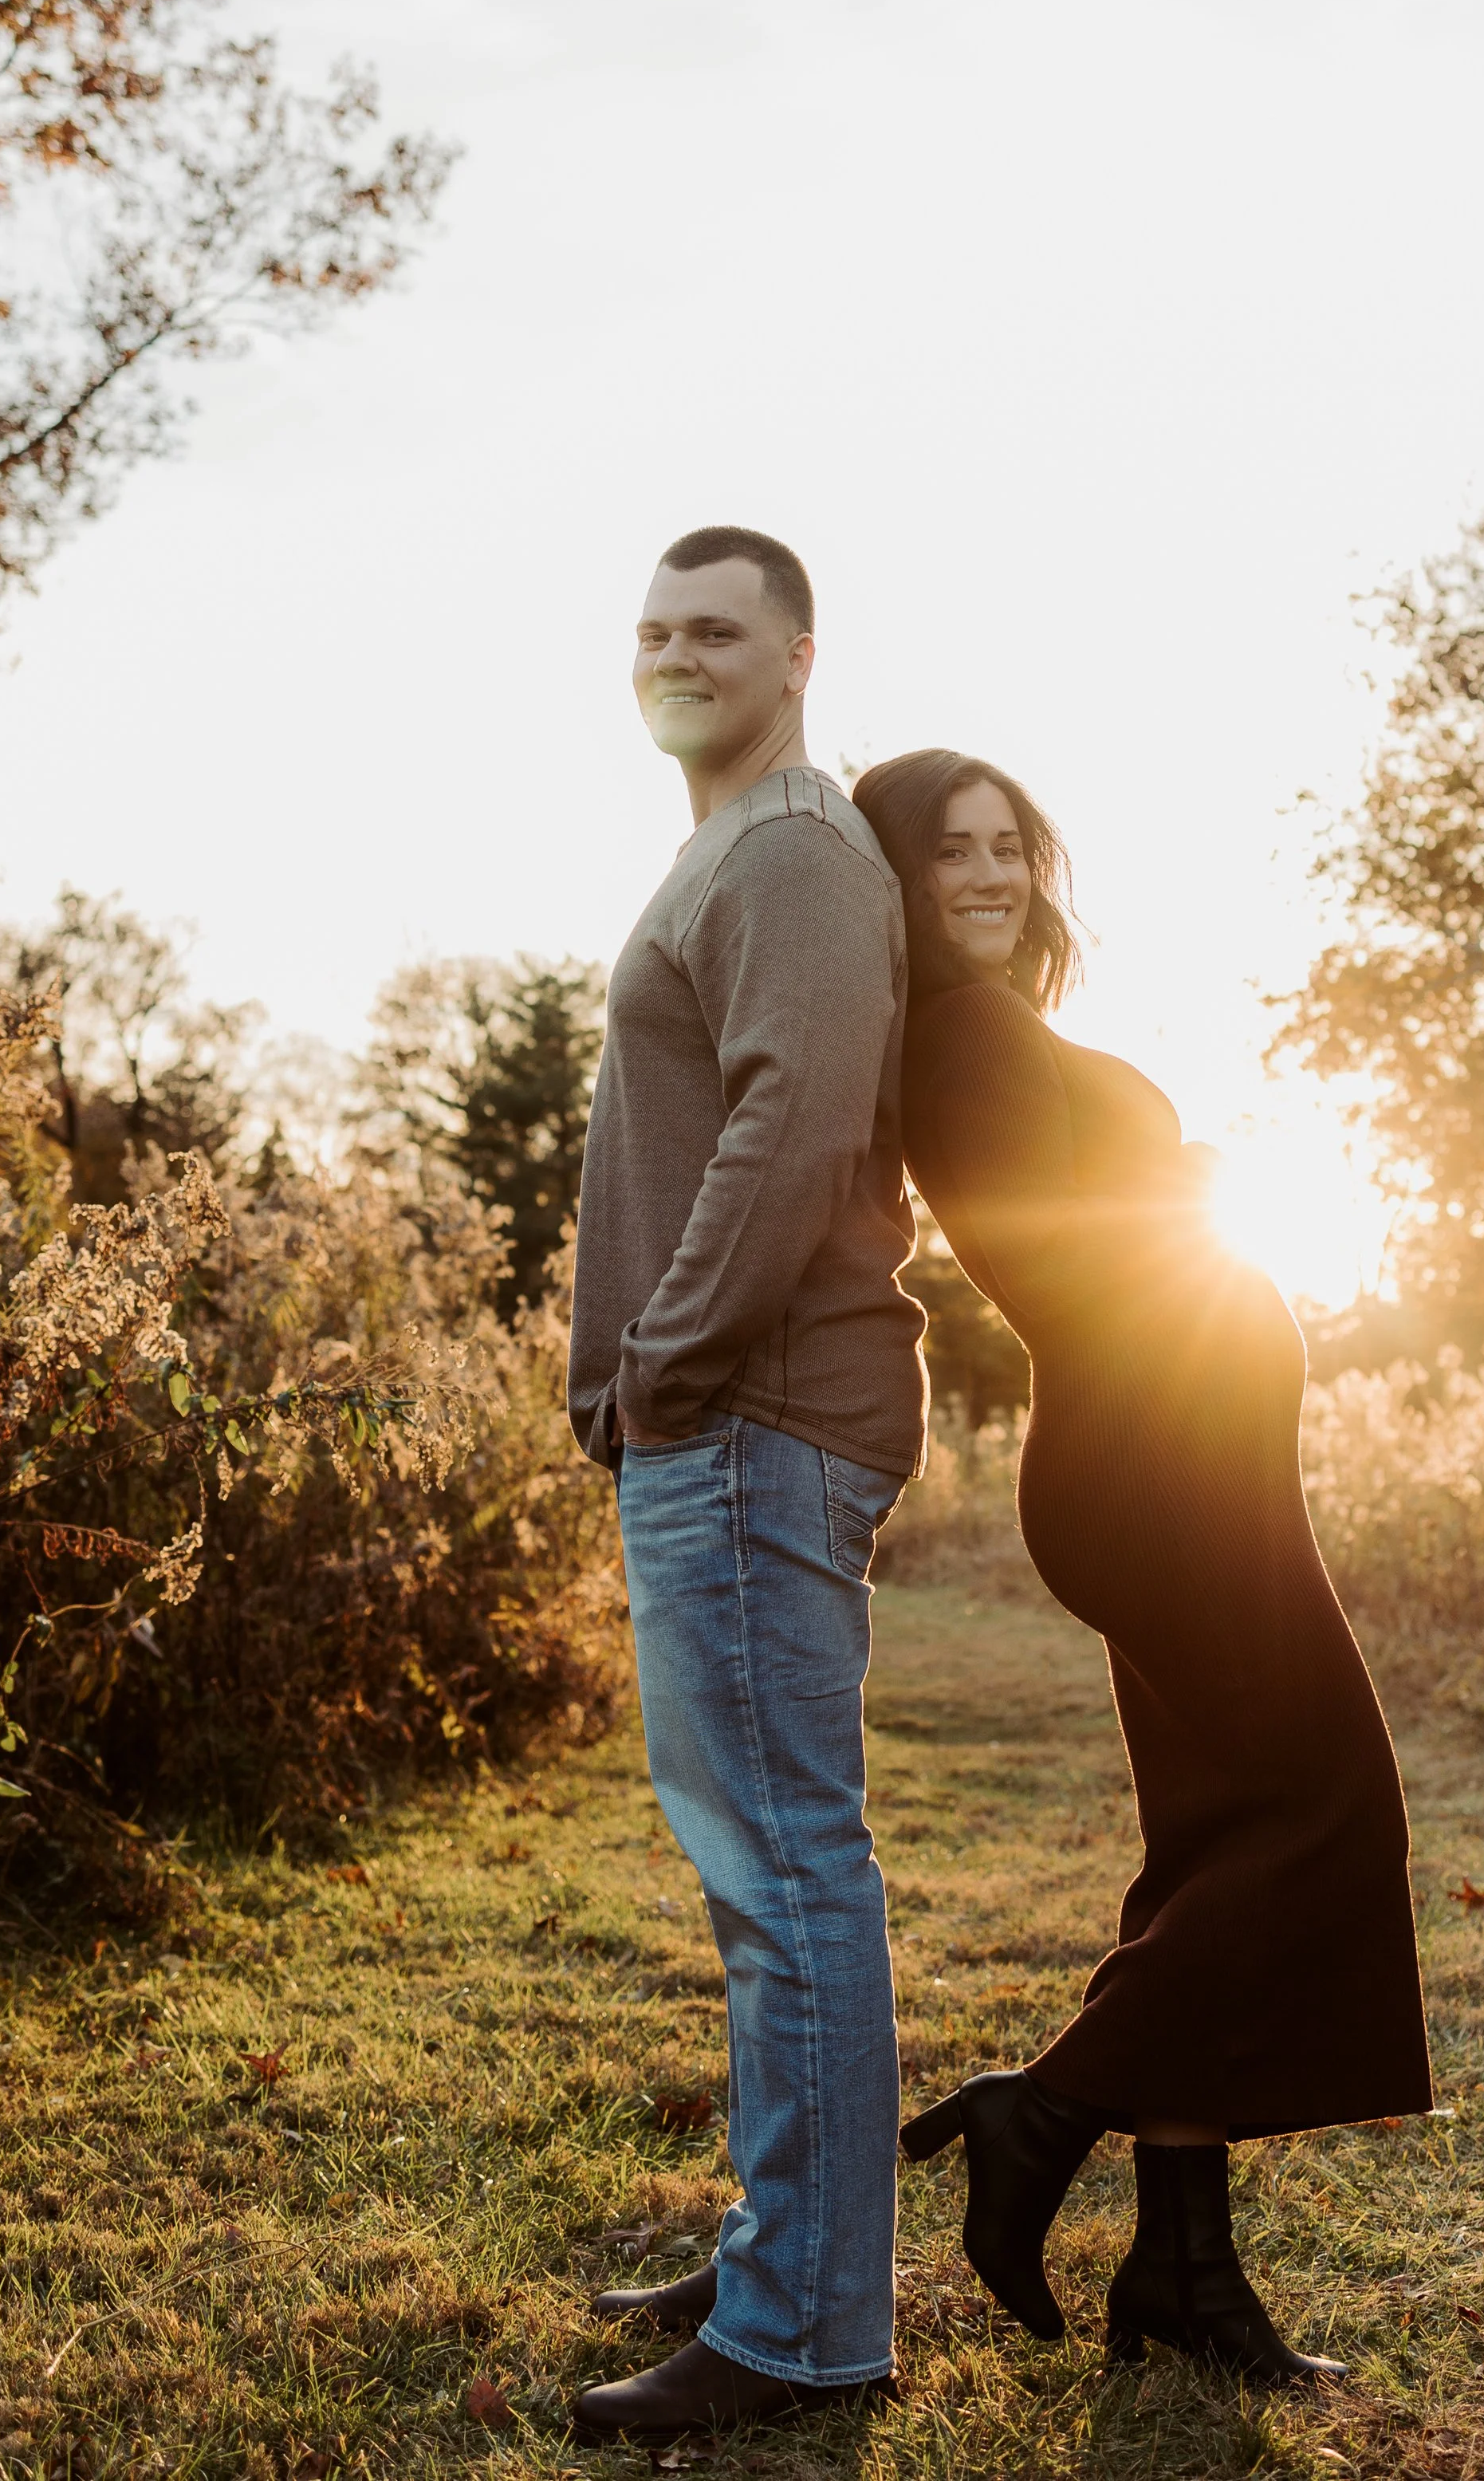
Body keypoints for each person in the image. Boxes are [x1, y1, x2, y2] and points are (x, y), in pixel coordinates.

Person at [851, 749, 1433, 2389]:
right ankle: (1039, 2112)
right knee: (1327, 1806)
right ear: (890, 881)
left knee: (1213, 1846)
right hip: (1158, 1472)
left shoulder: (996, 1036)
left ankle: (1184, 2278)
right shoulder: (959, 1038)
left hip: (1178, 1463)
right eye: (945, 851)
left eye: (1005, 849)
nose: (985, 875)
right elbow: (1072, 1242)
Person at [565, 529, 927, 2448]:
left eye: (714, 627)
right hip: (732, 1415)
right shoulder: (734, 846)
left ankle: (798, 2336)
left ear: (797, 651)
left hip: (751, 1414)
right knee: (765, 1871)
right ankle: (788, 2256)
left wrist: (664, 1361)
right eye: (650, 629)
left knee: (785, 1872)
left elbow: (788, 1121)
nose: (673, 652)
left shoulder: (788, 846)